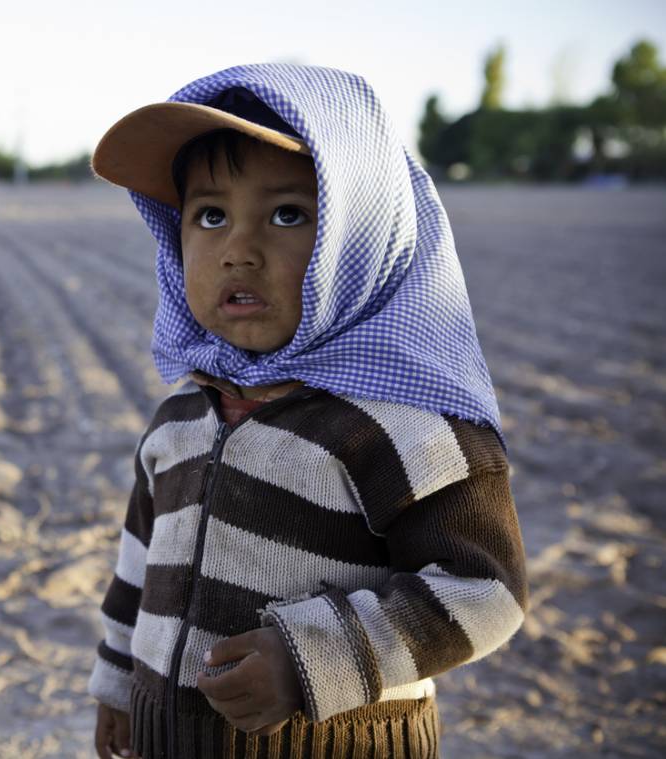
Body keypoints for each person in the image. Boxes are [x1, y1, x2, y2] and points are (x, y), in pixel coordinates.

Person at [87, 64, 527, 759]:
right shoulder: (181, 412)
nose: (238, 250)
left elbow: (485, 591)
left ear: (363, 237)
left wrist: (307, 659)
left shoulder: (403, 424)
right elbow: (139, 561)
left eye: (288, 214)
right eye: (210, 215)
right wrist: (117, 684)